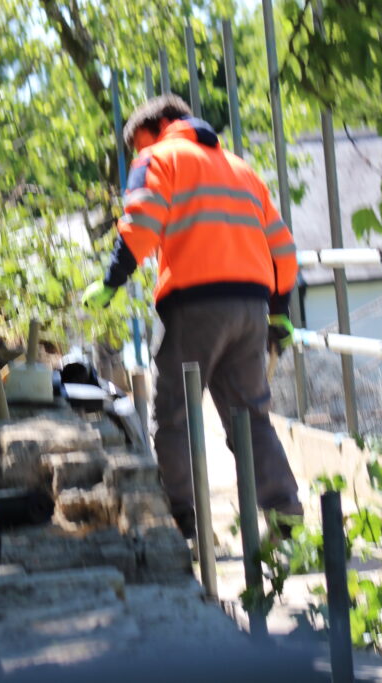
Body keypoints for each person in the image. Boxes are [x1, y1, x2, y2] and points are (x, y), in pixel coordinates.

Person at [82, 94, 303, 539]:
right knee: (250, 417)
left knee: (174, 417)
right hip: (251, 307)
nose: (135, 155)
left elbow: (142, 223)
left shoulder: (157, 158)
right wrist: (279, 312)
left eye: (137, 143)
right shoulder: (241, 169)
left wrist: (112, 279)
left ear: (161, 124)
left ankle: (184, 522)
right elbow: (283, 247)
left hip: (194, 304)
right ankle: (285, 518)